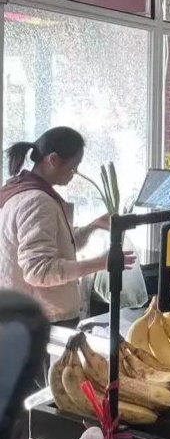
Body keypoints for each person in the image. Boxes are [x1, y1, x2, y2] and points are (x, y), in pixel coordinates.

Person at [0, 127, 132, 325]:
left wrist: (92, 226)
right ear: (53, 160)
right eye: (73, 166)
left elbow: (56, 246)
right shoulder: (37, 201)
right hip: (42, 320)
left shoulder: (20, 189)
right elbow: (39, 270)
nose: (75, 173)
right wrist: (102, 263)